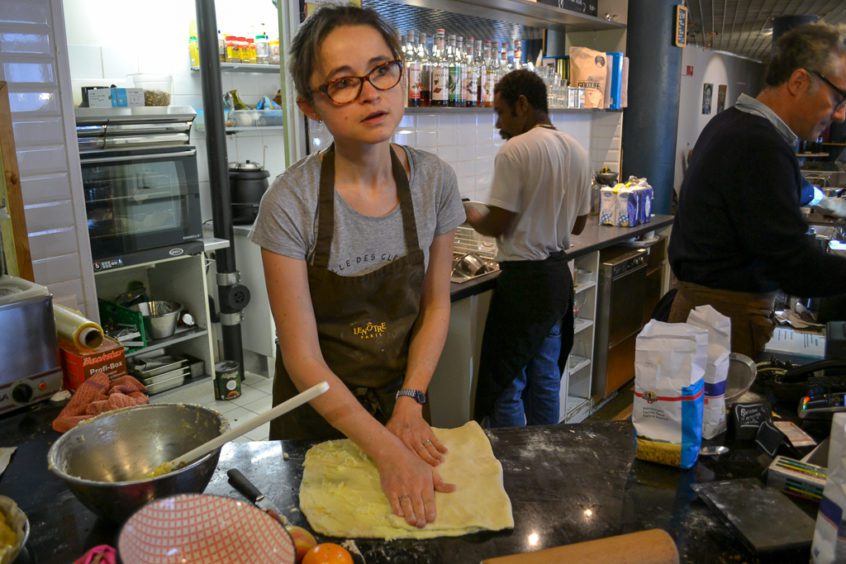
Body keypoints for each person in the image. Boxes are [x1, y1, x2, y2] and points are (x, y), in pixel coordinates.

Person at [249, 6, 465, 528]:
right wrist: (384, 451)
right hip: (315, 413)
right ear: (310, 106)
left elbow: (436, 303)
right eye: (342, 83)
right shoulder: (289, 203)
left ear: (402, 73)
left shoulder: (434, 181)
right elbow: (301, 356)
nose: (371, 92)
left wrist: (410, 402)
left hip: (404, 402)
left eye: (381, 69)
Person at [668, 22, 846, 359]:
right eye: (837, 97)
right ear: (798, 81)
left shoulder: (732, 123)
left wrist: (826, 201)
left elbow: (786, 195)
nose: (839, 114)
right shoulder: (759, 144)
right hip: (724, 324)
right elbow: (795, 266)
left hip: (704, 316)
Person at [464, 69, 591, 427]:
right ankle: (546, 458)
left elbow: (497, 223)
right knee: (545, 377)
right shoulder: (577, 151)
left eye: (501, 112)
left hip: (523, 286)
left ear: (522, 104)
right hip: (556, 280)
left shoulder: (515, 150)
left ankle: (513, 464)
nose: (499, 124)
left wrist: (469, 214)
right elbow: (578, 225)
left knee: (507, 383)